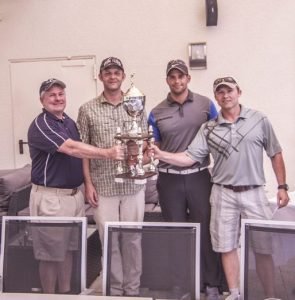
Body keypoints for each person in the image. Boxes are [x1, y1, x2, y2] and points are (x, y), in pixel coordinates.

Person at [148, 76, 289, 300]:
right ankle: (234, 293)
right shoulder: (208, 128)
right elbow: (189, 157)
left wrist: (282, 186)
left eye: (229, 91)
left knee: (263, 247)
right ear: (216, 97)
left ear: (239, 92)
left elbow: (275, 152)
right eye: (221, 92)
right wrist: (159, 154)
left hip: (254, 192)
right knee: (226, 246)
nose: (226, 96)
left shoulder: (259, 119)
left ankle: (271, 295)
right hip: (223, 193)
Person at [28, 78, 124, 294]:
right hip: (51, 199)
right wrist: (108, 153)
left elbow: (81, 154)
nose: (57, 98)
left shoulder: (68, 122)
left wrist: (87, 184)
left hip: (73, 197)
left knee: (69, 250)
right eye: (51, 95)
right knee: (51, 255)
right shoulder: (42, 124)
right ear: (41, 99)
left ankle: (64, 294)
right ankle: (49, 297)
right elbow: (71, 148)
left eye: (60, 93)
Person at [148, 59, 223, 300]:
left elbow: (219, 135)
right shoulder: (156, 112)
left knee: (206, 232)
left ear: (188, 78)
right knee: (177, 235)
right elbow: (154, 146)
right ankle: (182, 287)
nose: (177, 81)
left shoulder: (206, 105)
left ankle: (211, 284)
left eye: (181, 76)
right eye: (172, 77)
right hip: (169, 180)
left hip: (199, 177)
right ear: (167, 80)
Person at [77, 57, 147, 297]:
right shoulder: (87, 109)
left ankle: (133, 290)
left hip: (133, 186)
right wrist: (87, 183)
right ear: (101, 77)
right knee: (110, 242)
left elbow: (144, 141)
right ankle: (114, 291)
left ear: (123, 76)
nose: (113, 76)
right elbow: (83, 149)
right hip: (103, 185)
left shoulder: (136, 104)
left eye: (117, 72)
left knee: (132, 241)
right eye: (108, 72)